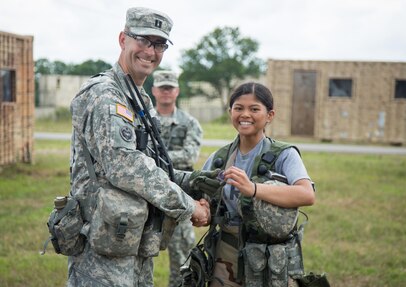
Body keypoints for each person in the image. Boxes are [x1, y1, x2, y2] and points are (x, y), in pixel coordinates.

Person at [68, 7, 215, 287]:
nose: (150, 51)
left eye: (159, 44)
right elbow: (125, 166)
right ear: (123, 39)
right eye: (143, 40)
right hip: (100, 247)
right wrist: (188, 206)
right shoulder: (105, 94)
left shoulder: (140, 100)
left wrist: (192, 181)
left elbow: (152, 163)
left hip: (130, 239)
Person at [196, 82, 316, 287]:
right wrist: (203, 212)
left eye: (254, 109)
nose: (245, 115)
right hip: (226, 255)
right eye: (238, 108)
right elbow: (202, 200)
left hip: (270, 258)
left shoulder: (284, 154)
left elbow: (307, 195)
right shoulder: (220, 158)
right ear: (230, 112)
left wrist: (254, 189)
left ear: (270, 115)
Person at [152, 70, 203, 287]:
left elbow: (190, 155)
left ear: (177, 91)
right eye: (162, 88)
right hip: (147, 196)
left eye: (170, 88)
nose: (166, 92)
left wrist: (153, 158)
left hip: (178, 196)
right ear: (154, 90)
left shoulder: (189, 123)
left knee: (183, 259)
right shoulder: (144, 119)